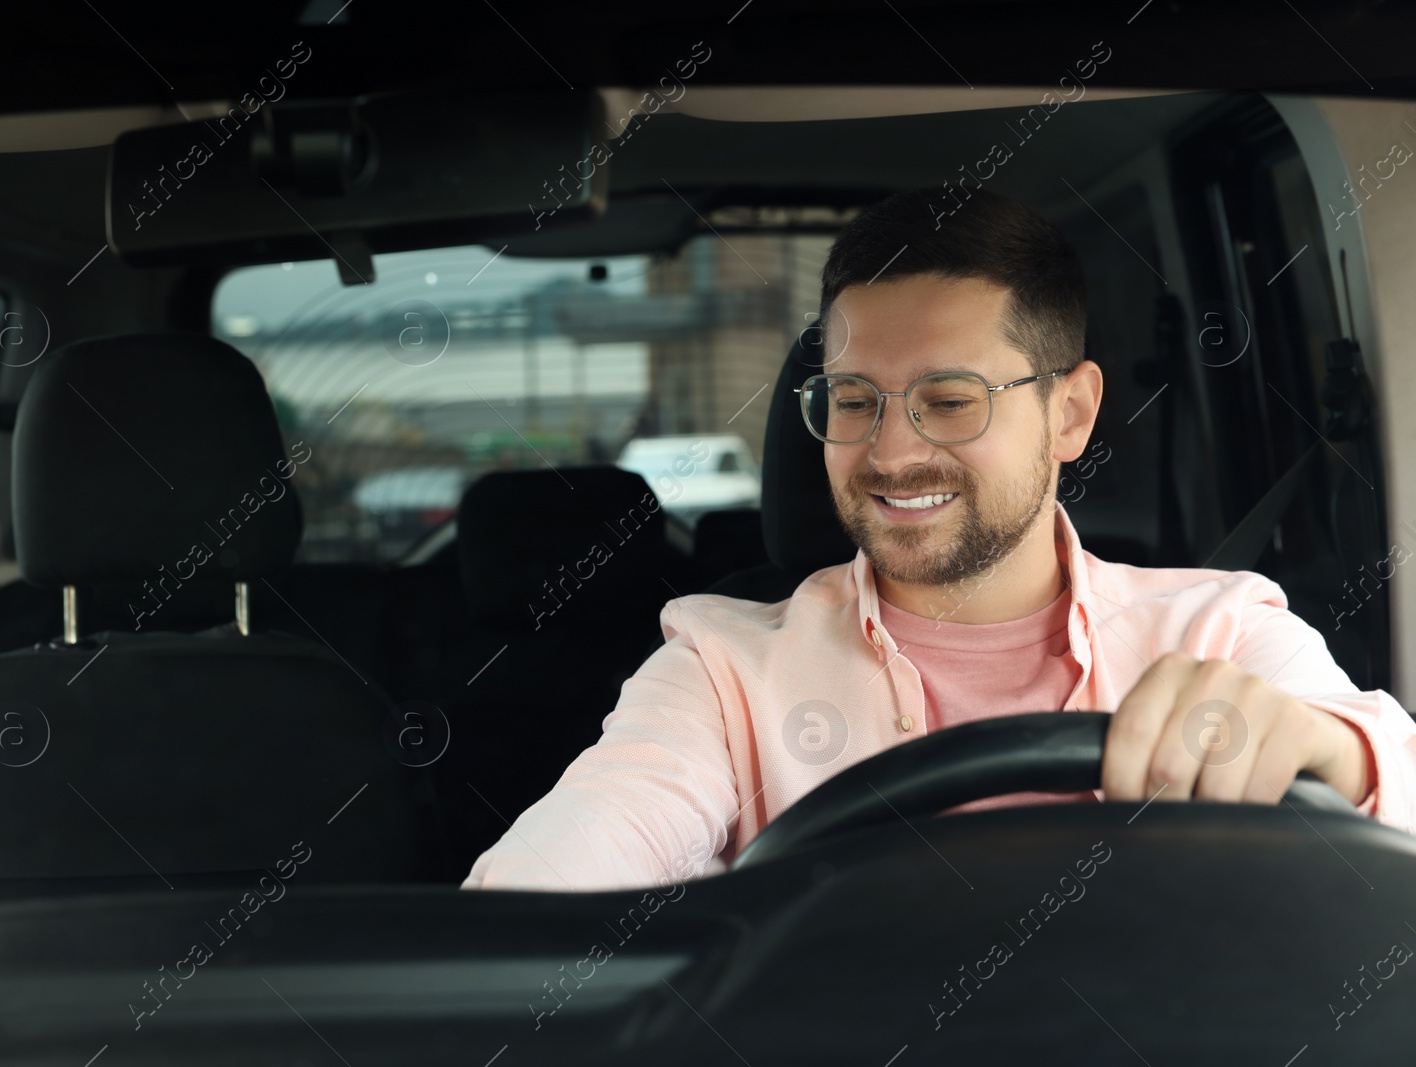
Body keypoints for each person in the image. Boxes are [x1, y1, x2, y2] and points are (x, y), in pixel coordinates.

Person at [461, 188, 1416, 891]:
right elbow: (530, 912)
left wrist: (1327, 752)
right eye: (853, 400)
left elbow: (1395, 790)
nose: (890, 451)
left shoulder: (1219, 634)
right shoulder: (722, 672)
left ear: (1072, 413)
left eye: (950, 401)